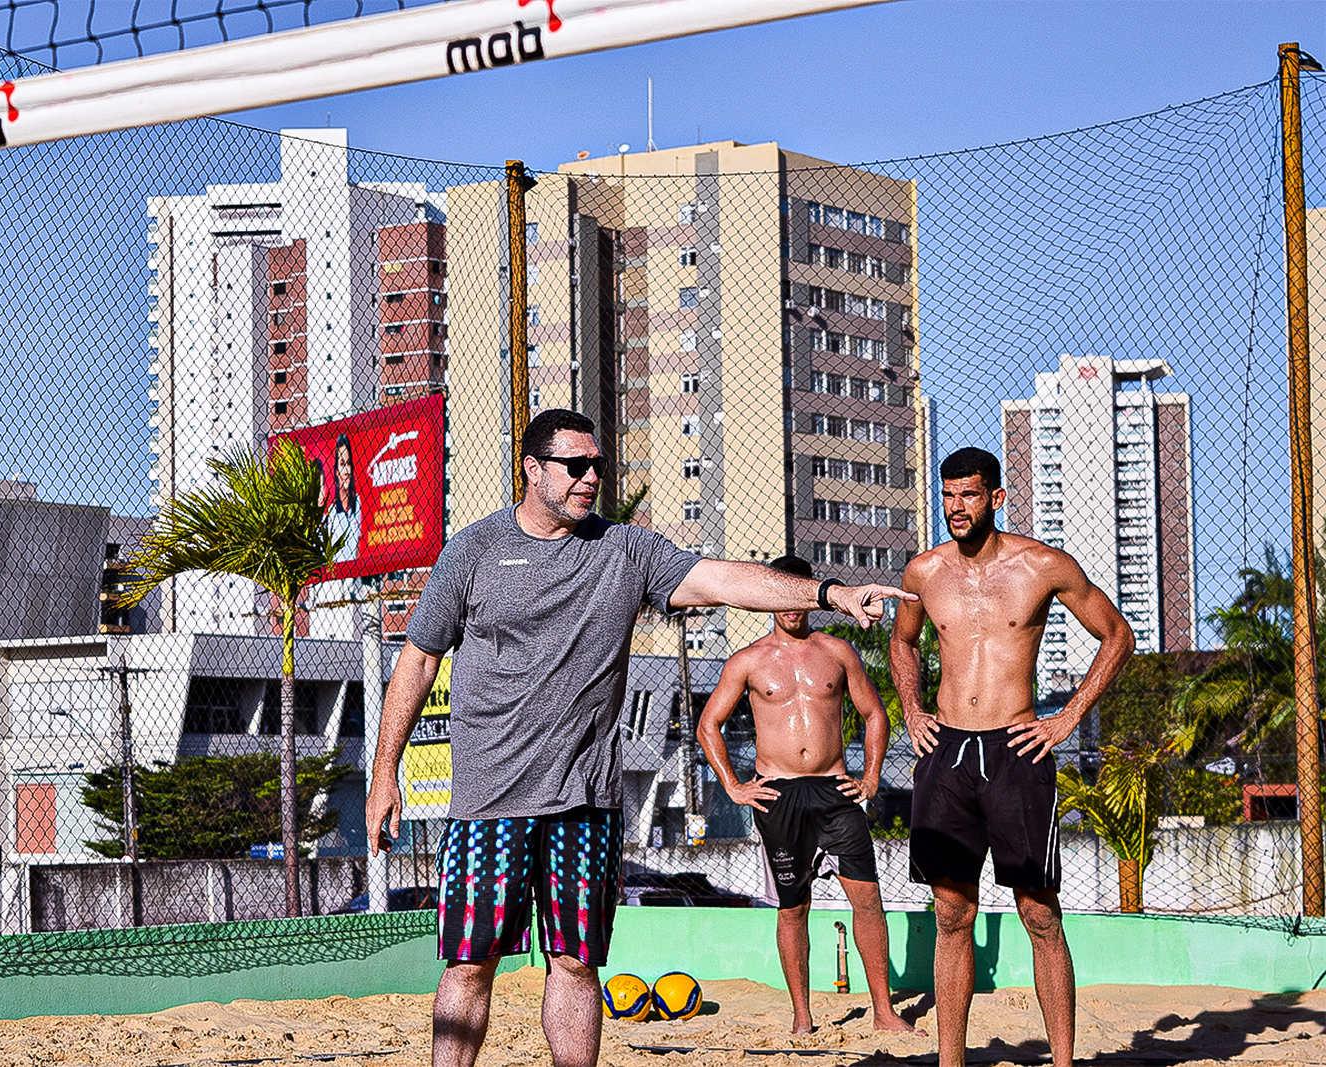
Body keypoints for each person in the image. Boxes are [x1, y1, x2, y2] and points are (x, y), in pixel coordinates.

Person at [364, 409, 914, 1067]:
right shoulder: (474, 551)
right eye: (575, 465)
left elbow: (725, 578)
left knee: (575, 961)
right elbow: (419, 659)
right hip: (490, 800)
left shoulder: (625, 549)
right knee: (469, 962)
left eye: (598, 464)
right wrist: (383, 770)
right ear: (532, 469)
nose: (591, 476)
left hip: (585, 802)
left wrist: (831, 591)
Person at [890, 447, 1134, 1067]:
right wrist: (913, 711)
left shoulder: (1042, 566)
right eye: (947, 496)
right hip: (946, 749)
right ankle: (951, 1060)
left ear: (996, 498)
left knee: (1038, 911)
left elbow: (1117, 635)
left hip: (1017, 749)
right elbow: (903, 643)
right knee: (951, 911)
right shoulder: (923, 573)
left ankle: (1063, 1061)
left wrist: (1068, 717)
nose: (956, 508)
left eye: (968, 495)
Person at [697, 553, 918, 1037]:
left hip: (835, 791)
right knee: (793, 907)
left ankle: (883, 1011)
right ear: (771, 596)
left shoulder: (837, 652)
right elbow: (707, 724)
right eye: (783, 591)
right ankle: (802, 1015)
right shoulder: (748, 660)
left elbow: (875, 715)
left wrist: (872, 777)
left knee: (867, 900)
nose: (793, 605)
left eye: (801, 590)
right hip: (777, 795)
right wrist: (733, 786)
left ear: (811, 594)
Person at [328, 433, 362, 562]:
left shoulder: (358, 504)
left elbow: (359, 543)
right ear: (336, 471)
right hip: (336, 579)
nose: (347, 471)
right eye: (342, 464)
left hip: (355, 576)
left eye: (348, 464)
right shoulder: (332, 513)